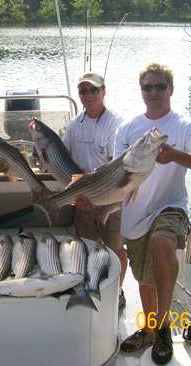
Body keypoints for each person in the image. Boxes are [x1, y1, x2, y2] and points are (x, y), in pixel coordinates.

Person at [115, 64, 191, 365]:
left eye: (160, 86)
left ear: (171, 90)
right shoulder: (127, 129)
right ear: (142, 92)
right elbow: (118, 175)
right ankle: (149, 328)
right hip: (134, 216)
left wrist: (175, 155)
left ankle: (162, 327)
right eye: (148, 87)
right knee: (145, 279)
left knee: (162, 242)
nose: (154, 92)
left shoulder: (185, 125)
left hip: (170, 207)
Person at [62, 71, 128, 309]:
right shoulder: (74, 125)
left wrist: (102, 201)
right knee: (88, 248)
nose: (88, 95)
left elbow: (118, 169)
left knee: (115, 248)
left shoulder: (116, 125)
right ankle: (92, 286)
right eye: (83, 90)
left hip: (110, 198)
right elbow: (63, 157)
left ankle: (117, 291)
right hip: (83, 198)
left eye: (93, 90)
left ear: (104, 91)